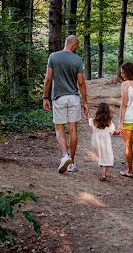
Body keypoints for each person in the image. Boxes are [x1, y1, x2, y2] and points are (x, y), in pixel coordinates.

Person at [43, 35, 90, 174]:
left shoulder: (53, 57)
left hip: (59, 98)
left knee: (59, 129)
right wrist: (85, 102)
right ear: (74, 45)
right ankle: (72, 163)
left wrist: (45, 97)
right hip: (74, 98)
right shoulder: (77, 60)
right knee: (73, 130)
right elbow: (81, 82)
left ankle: (65, 156)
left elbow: (48, 78)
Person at [88, 102, 117, 180]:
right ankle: (103, 174)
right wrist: (119, 132)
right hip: (105, 143)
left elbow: (89, 121)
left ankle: (102, 162)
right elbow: (113, 132)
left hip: (95, 142)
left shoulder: (94, 121)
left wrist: (86, 113)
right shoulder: (109, 122)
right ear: (108, 112)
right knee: (105, 158)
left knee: (101, 155)